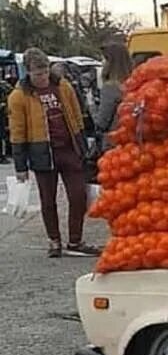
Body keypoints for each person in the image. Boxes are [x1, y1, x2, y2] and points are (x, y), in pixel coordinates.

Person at [7, 47, 100, 258]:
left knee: (78, 195)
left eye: (45, 72)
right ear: (28, 72)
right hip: (42, 151)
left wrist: (83, 145)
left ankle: (75, 240)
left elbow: (77, 115)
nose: (43, 77)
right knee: (47, 200)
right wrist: (20, 166)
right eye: (38, 73)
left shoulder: (62, 86)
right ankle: (54, 240)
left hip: (69, 148)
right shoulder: (19, 96)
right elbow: (18, 132)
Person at [94, 43, 132, 151]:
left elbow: (101, 122)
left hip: (115, 143)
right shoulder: (135, 83)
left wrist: (92, 105)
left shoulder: (111, 87)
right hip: (133, 141)